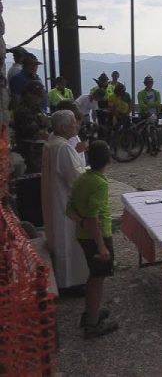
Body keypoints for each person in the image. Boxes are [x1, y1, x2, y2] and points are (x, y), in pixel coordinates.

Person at [65, 140, 119, 338]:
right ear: (109, 160)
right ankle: (92, 324)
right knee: (98, 279)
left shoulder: (82, 178)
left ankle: (91, 312)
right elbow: (93, 216)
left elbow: (69, 209)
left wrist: (82, 223)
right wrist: (101, 246)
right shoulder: (99, 183)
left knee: (93, 276)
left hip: (83, 235)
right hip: (98, 236)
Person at [40, 110, 88, 293]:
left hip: (54, 198)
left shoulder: (51, 143)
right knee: (69, 241)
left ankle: (64, 280)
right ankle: (72, 283)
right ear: (62, 127)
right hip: (65, 201)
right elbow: (76, 177)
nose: (76, 124)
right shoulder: (63, 147)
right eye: (73, 122)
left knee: (60, 239)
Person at [13, 82, 49, 173]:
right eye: (37, 96)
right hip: (29, 151)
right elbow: (31, 131)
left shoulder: (36, 107)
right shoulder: (23, 110)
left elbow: (44, 125)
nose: (39, 99)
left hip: (39, 150)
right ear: (29, 95)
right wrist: (42, 122)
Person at [138, 76, 162, 154]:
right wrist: (153, 104)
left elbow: (158, 103)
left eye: (151, 82)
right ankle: (149, 147)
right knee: (145, 132)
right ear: (145, 83)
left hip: (154, 114)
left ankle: (156, 146)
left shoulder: (156, 92)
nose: (149, 84)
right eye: (148, 82)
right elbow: (141, 104)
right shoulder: (140, 93)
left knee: (154, 131)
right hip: (145, 114)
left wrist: (148, 104)